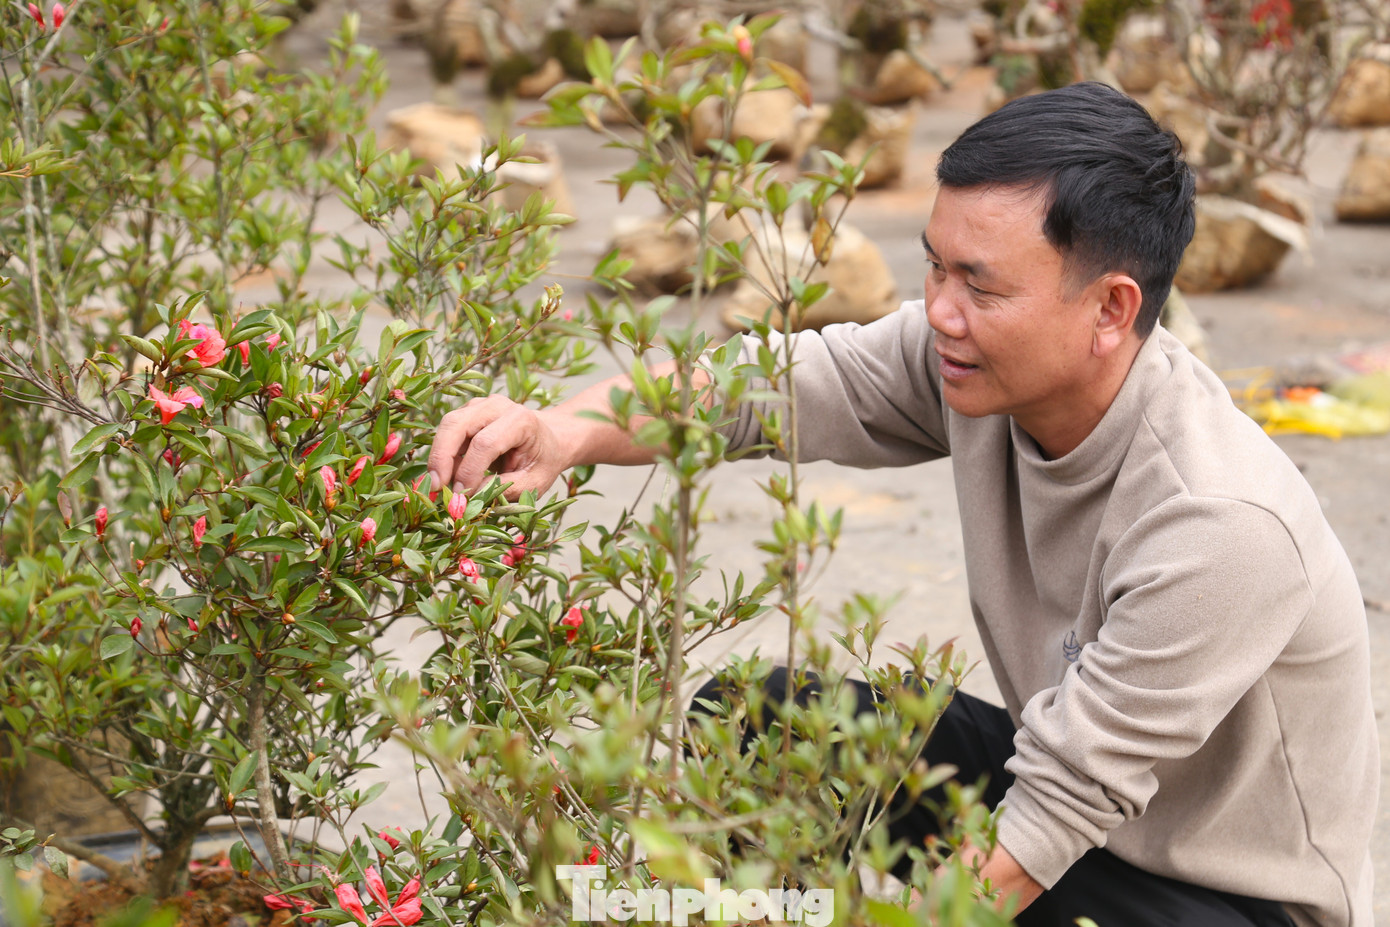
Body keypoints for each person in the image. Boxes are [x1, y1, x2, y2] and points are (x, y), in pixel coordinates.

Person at [427, 82, 1378, 925]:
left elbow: (1047, 823)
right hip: (1072, 787)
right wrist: (563, 430)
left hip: (1227, 892)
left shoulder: (1217, 521)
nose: (943, 311)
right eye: (936, 267)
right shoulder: (966, 359)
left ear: (1112, 309)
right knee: (769, 720)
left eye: (981, 284)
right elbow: (763, 385)